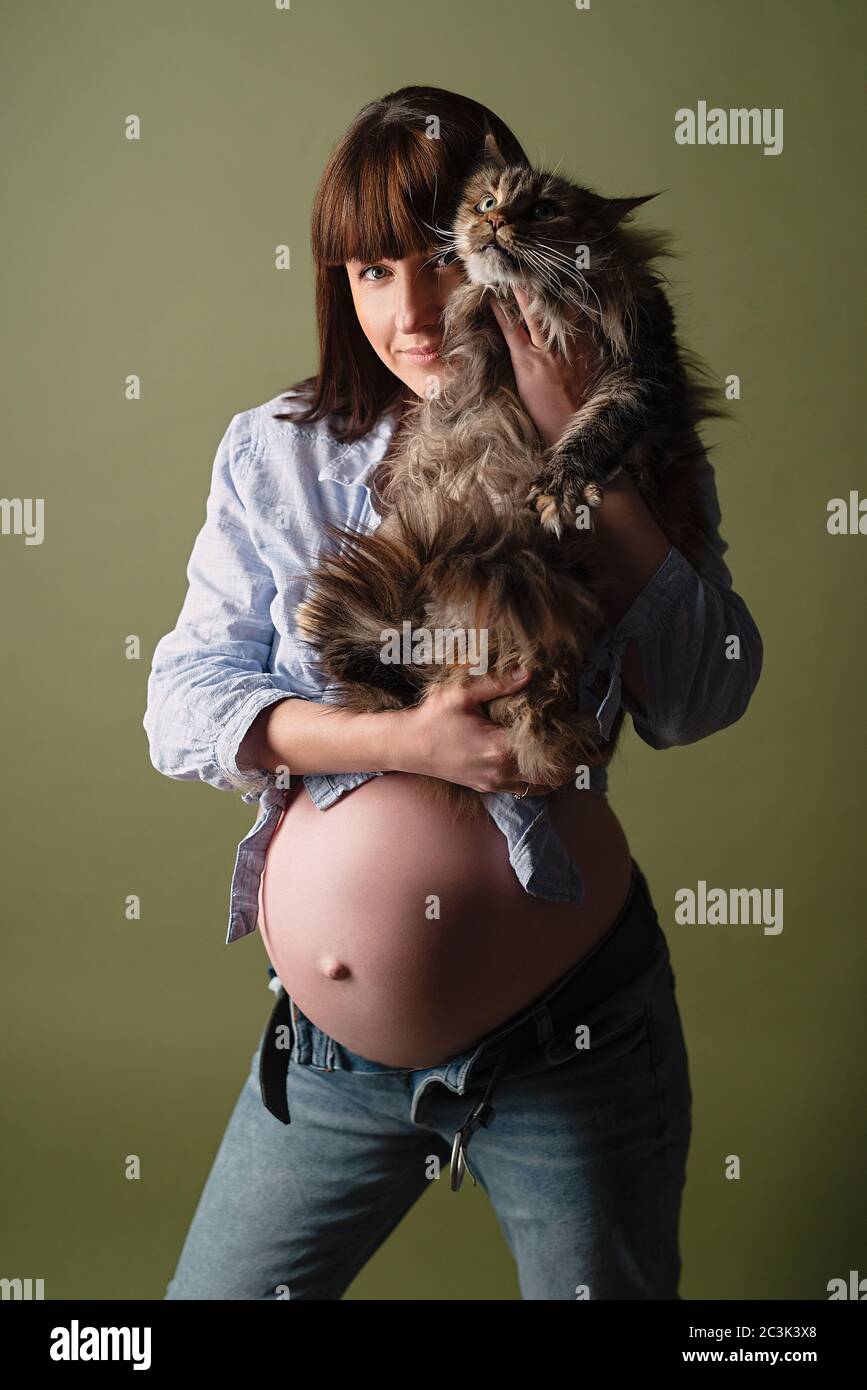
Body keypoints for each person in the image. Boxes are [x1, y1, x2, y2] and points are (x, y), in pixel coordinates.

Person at [143, 86, 763, 1300]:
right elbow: (182, 701)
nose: (412, 310)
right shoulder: (280, 450)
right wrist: (412, 741)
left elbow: (701, 696)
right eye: (371, 272)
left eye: (433, 261)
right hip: (329, 1063)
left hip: (569, 1040)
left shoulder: (633, 441)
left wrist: (579, 448)